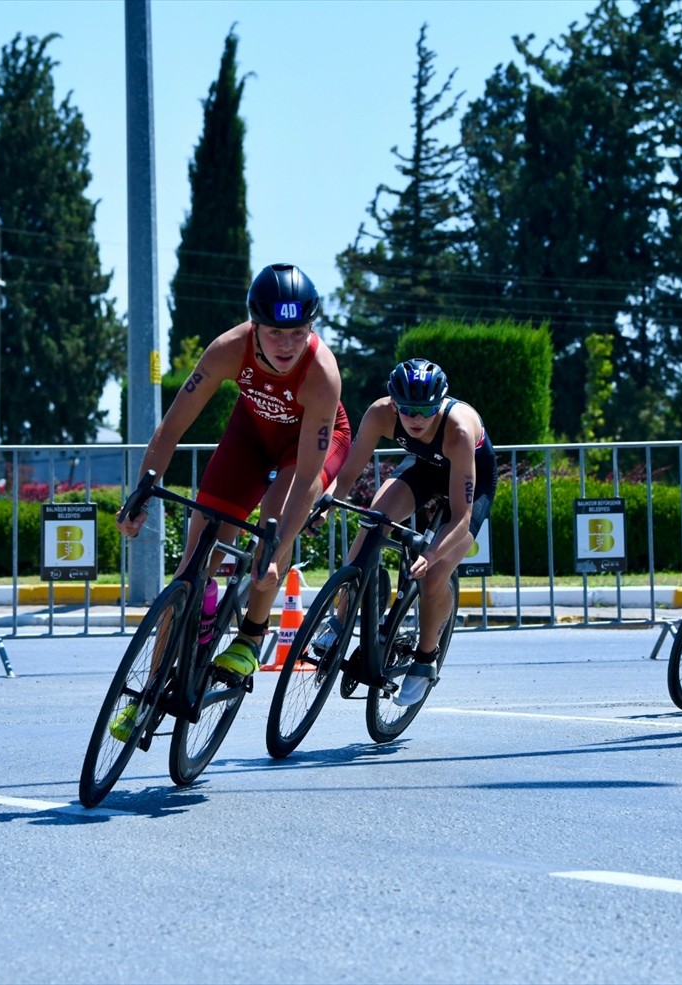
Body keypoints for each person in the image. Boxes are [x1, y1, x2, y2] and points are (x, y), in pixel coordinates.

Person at [116, 263, 352, 692]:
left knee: (271, 528)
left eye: (299, 332)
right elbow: (172, 427)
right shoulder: (228, 348)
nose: (287, 344)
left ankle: (249, 636)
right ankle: (148, 691)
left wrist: (277, 554)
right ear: (255, 326)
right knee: (191, 564)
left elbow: (304, 479)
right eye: (275, 333)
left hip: (306, 447)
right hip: (253, 433)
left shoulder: (322, 374)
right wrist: (143, 489)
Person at [320, 358, 497, 706]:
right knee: (373, 520)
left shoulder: (458, 430)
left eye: (426, 410)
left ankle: (425, 658)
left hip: (470, 486)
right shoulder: (379, 413)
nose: (416, 419)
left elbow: (460, 519)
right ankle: (338, 621)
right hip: (424, 469)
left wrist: (430, 555)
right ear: (393, 403)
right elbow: (350, 471)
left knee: (434, 575)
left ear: (440, 404)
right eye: (407, 410)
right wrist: (329, 501)